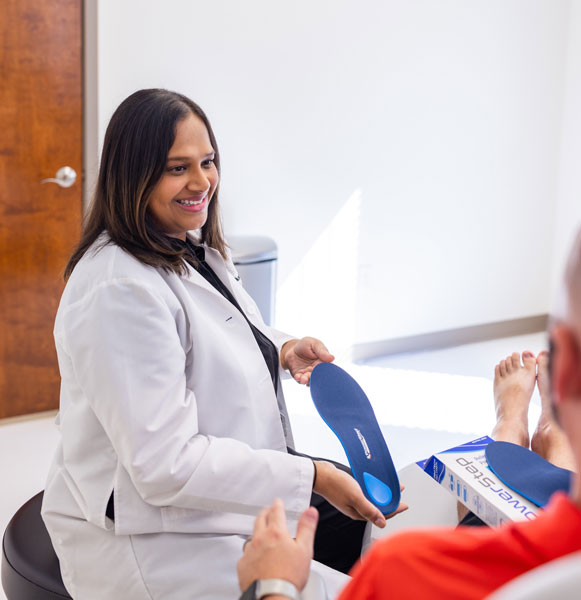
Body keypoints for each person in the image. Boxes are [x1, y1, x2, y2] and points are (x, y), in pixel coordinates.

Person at [40, 89, 405, 600]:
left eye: (208, 161)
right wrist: (313, 475)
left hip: (203, 505)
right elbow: (164, 466)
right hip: (150, 540)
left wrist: (279, 349)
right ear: (133, 175)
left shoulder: (184, 246)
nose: (202, 182)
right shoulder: (117, 289)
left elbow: (214, 329)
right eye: (176, 168)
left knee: (358, 538)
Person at [237, 228, 581, 599]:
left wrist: (274, 585)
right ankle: (552, 441)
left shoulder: (402, 571)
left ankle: (514, 427)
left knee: (479, 507)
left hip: (479, 577)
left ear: (566, 373)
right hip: (560, 556)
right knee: (550, 493)